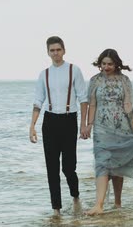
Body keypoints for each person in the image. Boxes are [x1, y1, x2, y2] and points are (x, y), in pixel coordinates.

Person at [29, 36, 89, 216]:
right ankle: (56, 210)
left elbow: (83, 99)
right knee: (52, 168)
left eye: (58, 50)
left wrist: (83, 125)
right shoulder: (44, 74)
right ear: (48, 52)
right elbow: (38, 101)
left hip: (69, 120)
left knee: (69, 167)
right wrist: (32, 125)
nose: (55, 53)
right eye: (52, 50)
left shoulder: (74, 70)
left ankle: (76, 197)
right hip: (49, 122)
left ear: (64, 50)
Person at [84, 48, 133, 215]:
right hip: (101, 129)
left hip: (122, 127)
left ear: (116, 64)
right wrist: (88, 125)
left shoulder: (124, 80)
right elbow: (92, 104)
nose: (106, 67)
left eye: (110, 64)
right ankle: (99, 205)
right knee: (102, 164)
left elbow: (128, 104)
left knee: (118, 165)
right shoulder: (95, 80)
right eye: (103, 64)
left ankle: (118, 203)